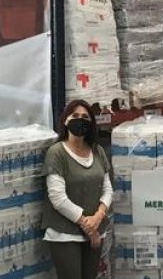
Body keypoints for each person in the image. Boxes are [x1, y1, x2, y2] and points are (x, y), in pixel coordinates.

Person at [43, 100, 113, 279]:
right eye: (75, 116)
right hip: (66, 233)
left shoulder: (97, 151)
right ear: (65, 120)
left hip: (96, 229)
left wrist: (98, 217)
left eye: (85, 117)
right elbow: (58, 198)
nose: (79, 120)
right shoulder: (56, 153)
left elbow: (107, 189)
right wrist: (87, 225)